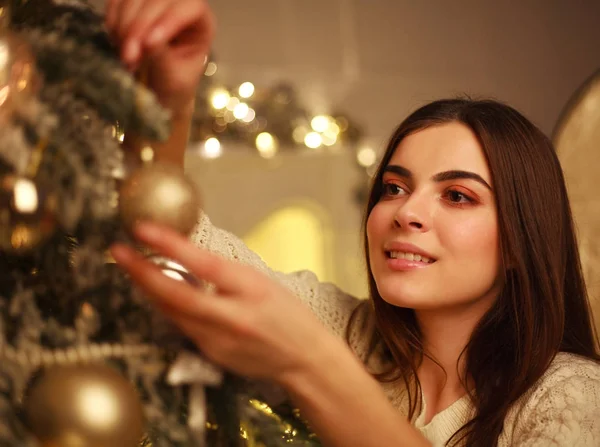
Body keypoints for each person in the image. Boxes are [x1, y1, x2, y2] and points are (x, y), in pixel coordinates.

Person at [105, 1, 600, 446]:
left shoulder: (573, 397)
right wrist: (171, 93)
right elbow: (169, 239)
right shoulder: (352, 336)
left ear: (521, 240)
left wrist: (311, 365)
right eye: (394, 187)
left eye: (457, 195)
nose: (406, 212)